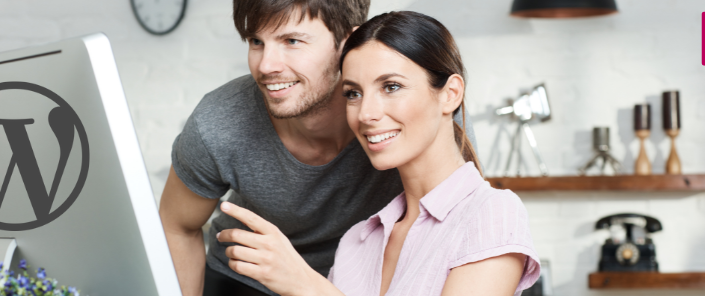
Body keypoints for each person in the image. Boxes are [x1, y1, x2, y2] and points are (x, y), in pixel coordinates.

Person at [159, 1, 476, 295]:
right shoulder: (219, 121)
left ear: (348, 43)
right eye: (256, 41)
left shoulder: (426, 117)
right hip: (245, 280)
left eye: (291, 41)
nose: (266, 65)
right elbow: (178, 226)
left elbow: (456, 233)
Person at [216, 11, 540, 296]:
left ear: (450, 94)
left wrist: (306, 285)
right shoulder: (358, 241)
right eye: (353, 93)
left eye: (391, 87)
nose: (366, 114)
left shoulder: (491, 214)